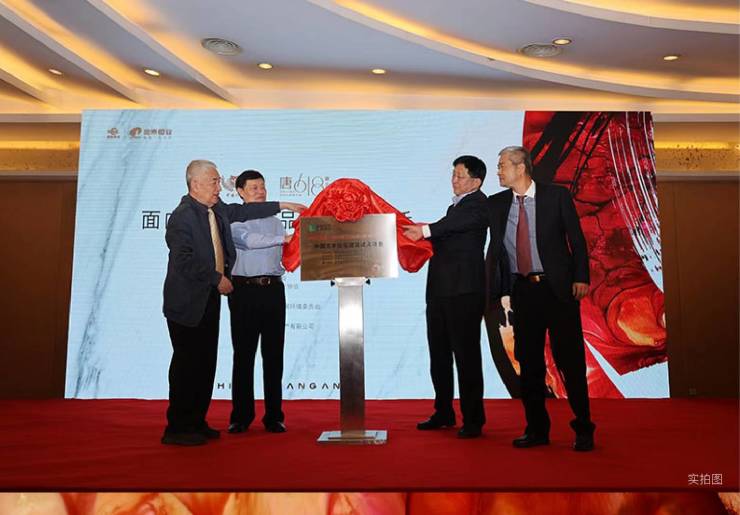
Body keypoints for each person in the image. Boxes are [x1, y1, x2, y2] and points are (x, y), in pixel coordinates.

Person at [162, 160, 305, 446]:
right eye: (215, 182)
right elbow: (183, 259)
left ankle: (197, 422)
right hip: (188, 301)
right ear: (195, 184)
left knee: (205, 364)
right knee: (187, 365)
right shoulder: (182, 216)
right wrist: (217, 278)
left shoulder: (215, 210)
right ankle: (178, 427)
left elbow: (245, 210)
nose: (220, 187)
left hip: (209, 299)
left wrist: (284, 205)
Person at [486, 145, 595, 452]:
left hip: (557, 290)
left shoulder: (556, 196)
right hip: (524, 292)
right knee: (530, 363)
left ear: (521, 168)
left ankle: (583, 428)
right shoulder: (496, 204)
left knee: (570, 362)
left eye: (502, 165)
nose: (498, 171)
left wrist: (581, 277)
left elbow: (577, 241)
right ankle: (536, 429)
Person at [403, 155, 488, 438]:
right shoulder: (455, 208)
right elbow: (441, 231)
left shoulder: (479, 205)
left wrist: (424, 230)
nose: (454, 180)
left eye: (460, 176)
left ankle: (473, 419)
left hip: (464, 293)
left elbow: (447, 228)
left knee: (466, 357)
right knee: (439, 355)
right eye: (453, 174)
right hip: (441, 292)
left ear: (476, 182)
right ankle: (443, 411)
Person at [227, 170, 291, 434]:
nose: (260, 192)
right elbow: (249, 242)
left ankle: (274, 416)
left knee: (274, 355)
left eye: (263, 187)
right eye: (254, 188)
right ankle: (241, 417)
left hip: (273, 291)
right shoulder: (233, 219)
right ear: (240, 192)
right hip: (244, 292)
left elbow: (286, 253)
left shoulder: (276, 222)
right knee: (244, 355)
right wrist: (284, 239)